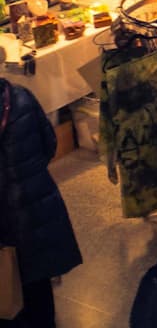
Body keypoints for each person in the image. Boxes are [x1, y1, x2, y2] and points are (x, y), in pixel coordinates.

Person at [0, 78, 83, 327]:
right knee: (39, 288)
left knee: (6, 294)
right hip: (34, 209)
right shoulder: (20, 97)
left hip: (4, 223)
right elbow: (49, 144)